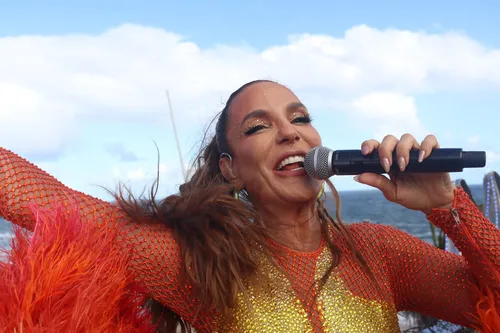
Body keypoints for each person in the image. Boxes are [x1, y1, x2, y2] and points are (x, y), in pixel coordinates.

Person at [0, 79, 499, 333]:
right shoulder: (199, 261)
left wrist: (447, 205)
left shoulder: (381, 252)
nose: (290, 132)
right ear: (231, 169)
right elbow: (50, 204)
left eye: (300, 118)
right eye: (258, 127)